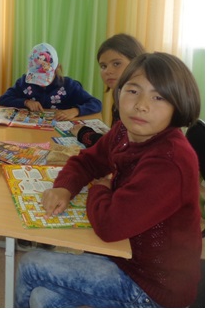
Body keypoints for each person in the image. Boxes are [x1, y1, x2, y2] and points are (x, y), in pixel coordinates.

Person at [15, 52, 202, 308]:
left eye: (158, 97)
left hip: (152, 288)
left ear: (177, 105)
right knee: (42, 298)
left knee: (31, 265)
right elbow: (88, 161)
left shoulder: (170, 160)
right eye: (133, 91)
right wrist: (64, 187)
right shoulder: (125, 130)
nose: (141, 105)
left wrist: (100, 189)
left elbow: (109, 225)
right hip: (123, 256)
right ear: (119, 93)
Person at [71, 33, 146, 147]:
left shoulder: (140, 102)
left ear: (136, 63)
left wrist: (84, 133)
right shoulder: (119, 96)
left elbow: (117, 147)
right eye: (103, 66)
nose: (108, 71)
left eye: (116, 63)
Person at [0, 43, 101, 120]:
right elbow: (3, 99)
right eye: (36, 77)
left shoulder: (69, 85)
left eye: (45, 77)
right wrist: (26, 102)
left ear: (57, 68)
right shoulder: (24, 82)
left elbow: (96, 103)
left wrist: (75, 111)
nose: (40, 83)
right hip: (31, 132)